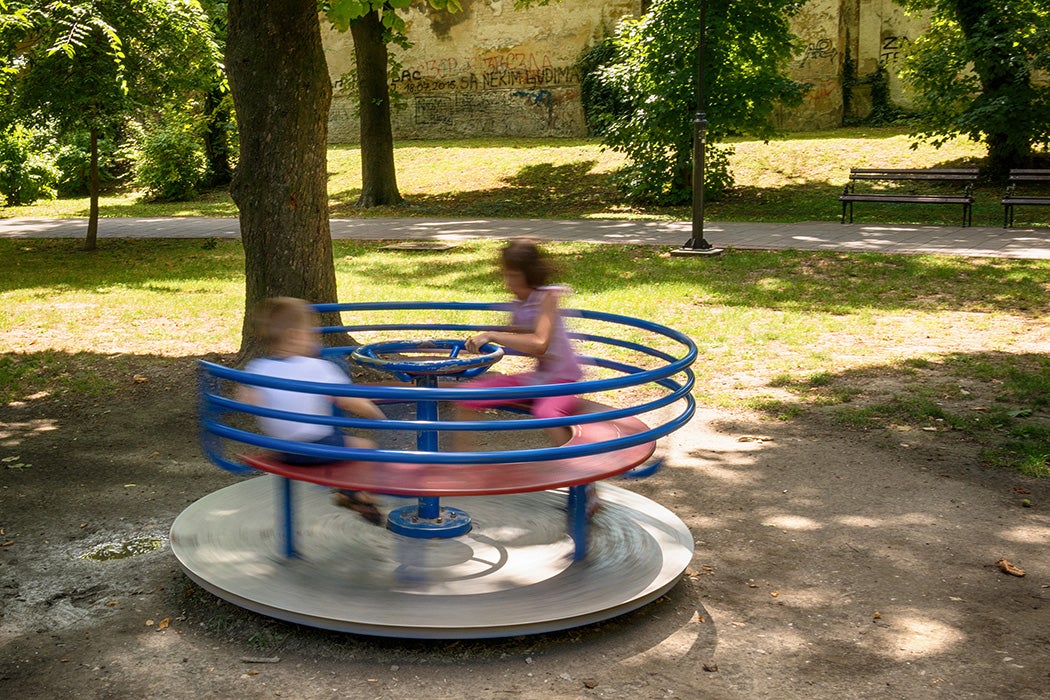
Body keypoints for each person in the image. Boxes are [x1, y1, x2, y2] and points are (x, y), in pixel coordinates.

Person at [238, 297, 387, 524]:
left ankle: (346, 490)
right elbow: (350, 401)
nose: (314, 338)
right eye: (311, 332)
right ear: (294, 335)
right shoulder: (319, 368)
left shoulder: (257, 368)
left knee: (335, 440)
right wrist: (378, 416)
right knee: (366, 447)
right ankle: (355, 492)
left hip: (283, 450)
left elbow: (247, 399)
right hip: (317, 449)